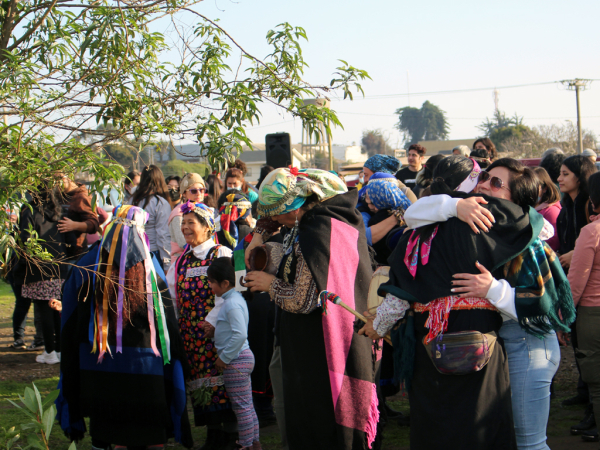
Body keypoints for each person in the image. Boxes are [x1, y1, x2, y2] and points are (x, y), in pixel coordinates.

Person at [364, 156, 575, 450]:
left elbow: (544, 305)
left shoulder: (519, 234)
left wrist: (492, 290)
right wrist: (455, 206)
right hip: (479, 344)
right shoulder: (453, 222)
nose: (484, 185)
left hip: (528, 341)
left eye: (495, 183)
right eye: (483, 177)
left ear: (514, 201)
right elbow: (414, 215)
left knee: (527, 441)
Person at [243, 168, 379, 450]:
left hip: (320, 352)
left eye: (278, 213)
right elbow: (283, 262)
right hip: (310, 345)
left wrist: (270, 285)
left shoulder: (319, 231)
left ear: (295, 208)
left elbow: (303, 300)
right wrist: (259, 236)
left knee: (320, 424)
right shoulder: (308, 227)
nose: (274, 220)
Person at [56, 205, 193, 449]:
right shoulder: (150, 267)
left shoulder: (87, 265)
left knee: (114, 433)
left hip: (101, 366)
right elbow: (169, 323)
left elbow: (69, 321)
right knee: (150, 435)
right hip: (145, 367)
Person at [166, 201, 236, 448]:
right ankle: (213, 433)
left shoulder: (222, 254)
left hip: (218, 333)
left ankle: (230, 434)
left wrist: (212, 321)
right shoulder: (181, 259)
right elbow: (172, 296)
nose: (184, 227)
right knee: (201, 385)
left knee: (224, 383)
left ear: (207, 227)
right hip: (191, 335)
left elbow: (230, 294)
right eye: (182, 223)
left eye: (190, 223)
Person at [13, 183, 73, 364]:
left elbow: (25, 240)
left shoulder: (28, 210)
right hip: (59, 266)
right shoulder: (60, 211)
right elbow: (69, 239)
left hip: (39, 267)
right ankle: (60, 349)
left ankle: (49, 351)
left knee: (44, 309)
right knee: (57, 309)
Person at [207, 257, 261, 450]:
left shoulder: (231, 304)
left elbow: (240, 334)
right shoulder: (233, 300)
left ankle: (246, 445)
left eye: (212, 282)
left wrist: (224, 358)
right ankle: (254, 443)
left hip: (236, 360)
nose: (210, 286)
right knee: (247, 406)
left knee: (242, 408)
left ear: (225, 283)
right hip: (240, 358)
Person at [568, 172, 600, 444]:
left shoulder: (591, 232)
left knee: (597, 382)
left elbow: (576, 284)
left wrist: (563, 316)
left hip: (593, 314)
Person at [556, 155, 597, 270]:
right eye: (560, 174)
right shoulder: (565, 208)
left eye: (565, 174)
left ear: (580, 177)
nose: (559, 178)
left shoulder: (591, 206)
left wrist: (576, 254)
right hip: (570, 273)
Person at [129, 165, 172, 270]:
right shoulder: (160, 203)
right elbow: (163, 235)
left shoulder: (132, 201)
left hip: (132, 254)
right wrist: (167, 264)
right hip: (153, 255)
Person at [57, 174, 99, 258]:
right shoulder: (61, 195)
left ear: (69, 178)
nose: (57, 184)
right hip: (61, 252)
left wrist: (74, 225)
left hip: (76, 252)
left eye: (59, 180)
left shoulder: (82, 196)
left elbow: (94, 224)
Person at [168, 173, 206, 265]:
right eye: (193, 191)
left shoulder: (205, 210)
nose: (199, 194)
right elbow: (182, 242)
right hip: (182, 261)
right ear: (184, 193)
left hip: (202, 257)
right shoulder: (179, 213)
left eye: (201, 190)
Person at [534, 167, 562, 251]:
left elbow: (554, 241)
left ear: (545, 188)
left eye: (534, 186)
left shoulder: (551, 211)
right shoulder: (532, 208)